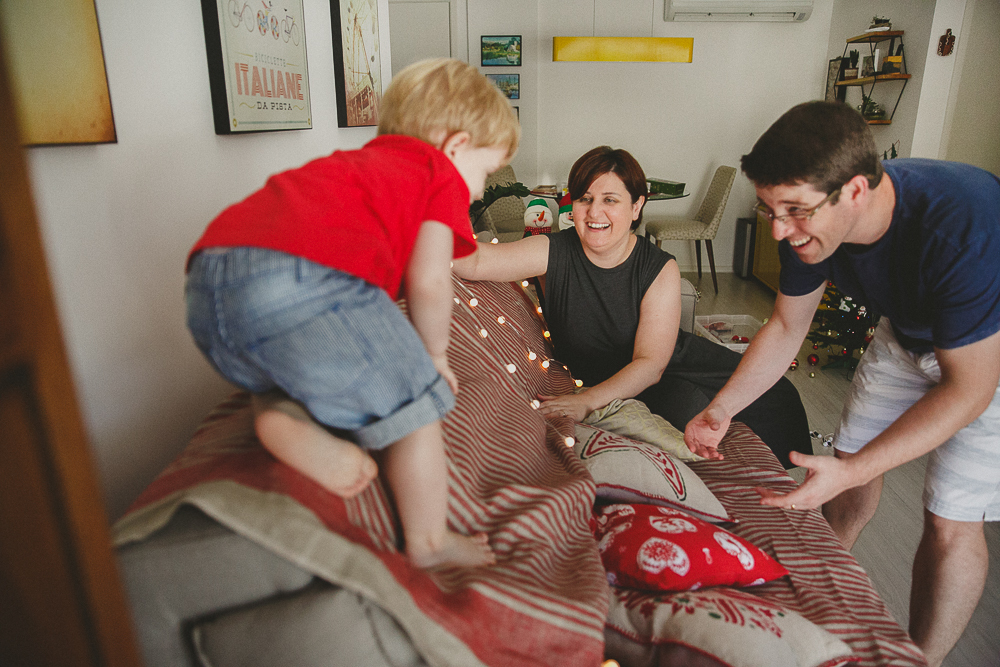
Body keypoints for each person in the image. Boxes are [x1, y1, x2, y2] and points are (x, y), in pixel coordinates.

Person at [684, 100, 1000, 667]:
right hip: (905, 336)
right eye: (769, 210)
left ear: (855, 191)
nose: (781, 229)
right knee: (848, 467)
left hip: (987, 356)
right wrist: (722, 408)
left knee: (949, 517)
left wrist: (859, 467)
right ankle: (825, 591)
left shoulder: (961, 227)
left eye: (796, 211)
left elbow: (969, 389)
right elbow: (786, 326)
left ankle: (920, 659)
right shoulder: (804, 229)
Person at [184, 58, 520, 570]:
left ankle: (281, 416)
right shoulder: (436, 175)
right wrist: (432, 356)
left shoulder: (357, 165)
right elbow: (430, 282)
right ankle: (430, 542)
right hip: (301, 283)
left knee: (287, 369)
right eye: (485, 172)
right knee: (417, 401)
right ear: (455, 148)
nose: (477, 191)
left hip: (209, 286)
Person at [453, 146, 811, 466]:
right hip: (639, 387)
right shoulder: (553, 250)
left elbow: (651, 364)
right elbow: (475, 262)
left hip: (675, 370)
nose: (594, 212)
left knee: (769, 403)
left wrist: (587, 401)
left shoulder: (659, 268)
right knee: (687, 424)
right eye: (584, 198)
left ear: (636, 205)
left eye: (610, 200)